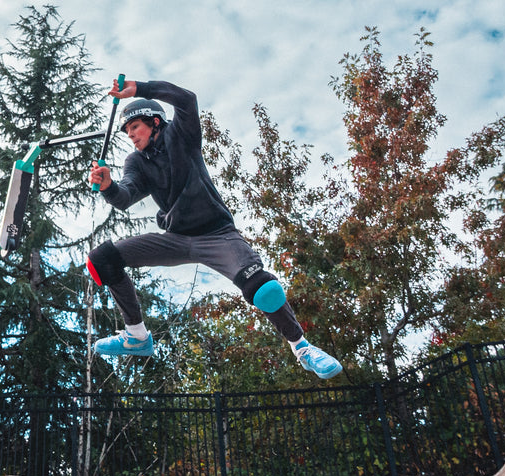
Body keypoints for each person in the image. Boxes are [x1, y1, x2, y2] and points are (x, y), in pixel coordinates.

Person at [85, 78, 343, 379]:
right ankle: (137, 336)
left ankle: (302, 348)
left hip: (218, 235)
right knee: (102, 259)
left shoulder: (182, 135)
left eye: (135, 128)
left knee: (263, 288)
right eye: (128, 132)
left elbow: (186, 99)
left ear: (155, 122)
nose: (131, 136)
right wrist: (108, 186)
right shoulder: (137, 162)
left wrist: (141, 88)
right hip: (177, 238)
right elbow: (125, 197)